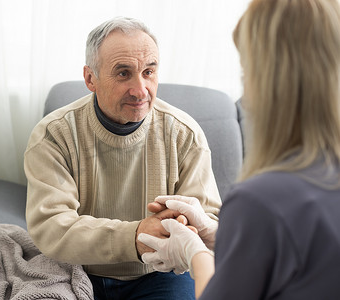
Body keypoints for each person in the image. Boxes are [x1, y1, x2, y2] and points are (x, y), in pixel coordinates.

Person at [139, 0, 340, 298]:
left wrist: (196, 255)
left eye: (247, 71)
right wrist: (219, 235)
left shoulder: (260, 201)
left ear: (271, 80)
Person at [24, 17, 221, 300]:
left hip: (159, 275)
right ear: (90, 78)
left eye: (149, 72)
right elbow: (53, 228)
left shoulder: (185, 134)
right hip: (76, 270)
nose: (141, 90)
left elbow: (207, 222)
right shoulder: (53, 135)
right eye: (123, 73)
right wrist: (137, 236)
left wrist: (186, 226)